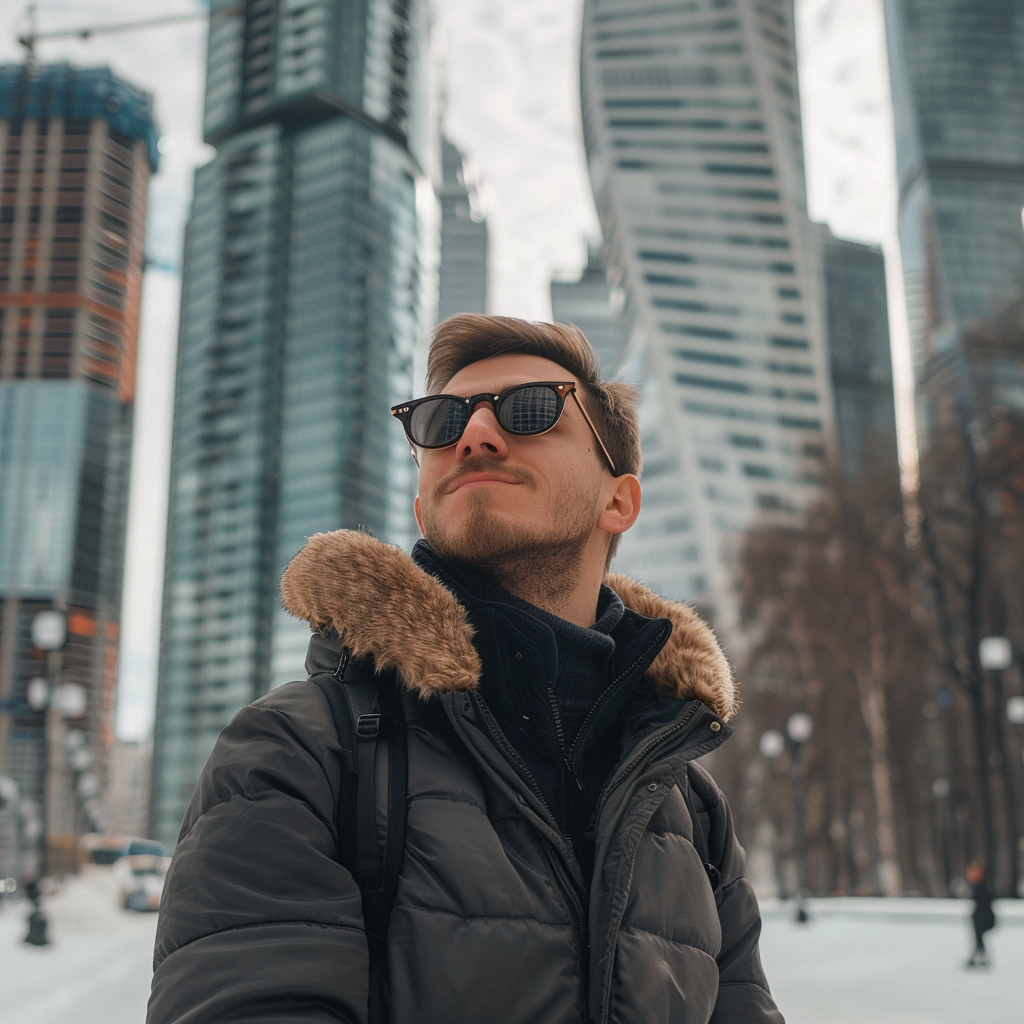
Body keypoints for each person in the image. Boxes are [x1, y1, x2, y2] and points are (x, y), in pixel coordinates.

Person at [147, 315, 783, 1024]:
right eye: (442, 422)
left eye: (533, 409)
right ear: (425, 508)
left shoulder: (690, 809)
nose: (475, 435)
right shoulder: (298, 750)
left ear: (619, 500)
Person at [965, 859, 996, 968]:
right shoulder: (980, 885)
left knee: (979, 938)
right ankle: (978, 958)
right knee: (978, 939)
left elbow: (987, 901)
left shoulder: (982, 885)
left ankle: (979, 958)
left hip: (982, 917)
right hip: (980, 916)